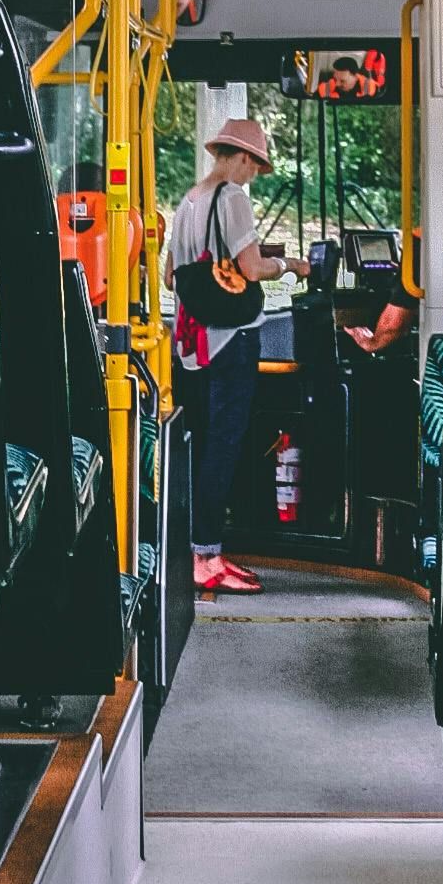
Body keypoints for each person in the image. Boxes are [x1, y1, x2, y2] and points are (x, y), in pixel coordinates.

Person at [165, 116, 309, 595]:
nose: (254, 175)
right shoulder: (232, 198)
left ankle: (195, 551)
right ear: (243, 158)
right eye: (255, 165)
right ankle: (207, 556)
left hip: (192, 344)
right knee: (224, 446)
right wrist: (288, 264)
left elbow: (172, 277)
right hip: (231, 340)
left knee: (201, 445)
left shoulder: (188, 201)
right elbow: (251, 268)